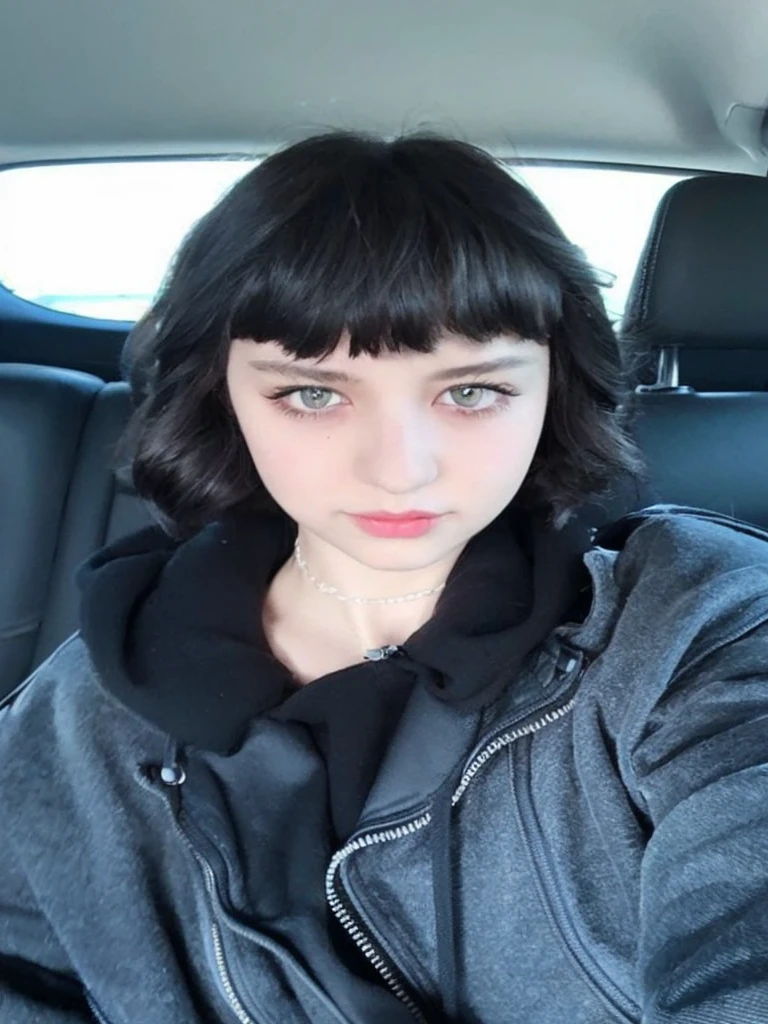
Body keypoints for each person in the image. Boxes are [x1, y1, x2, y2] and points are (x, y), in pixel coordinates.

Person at [1, 132, 767, 1024]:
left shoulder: (698, 627)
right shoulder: (83, 709)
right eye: (314, 394)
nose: (401, 470)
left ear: (553, 388)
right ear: (223, 395)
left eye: (471, 391)